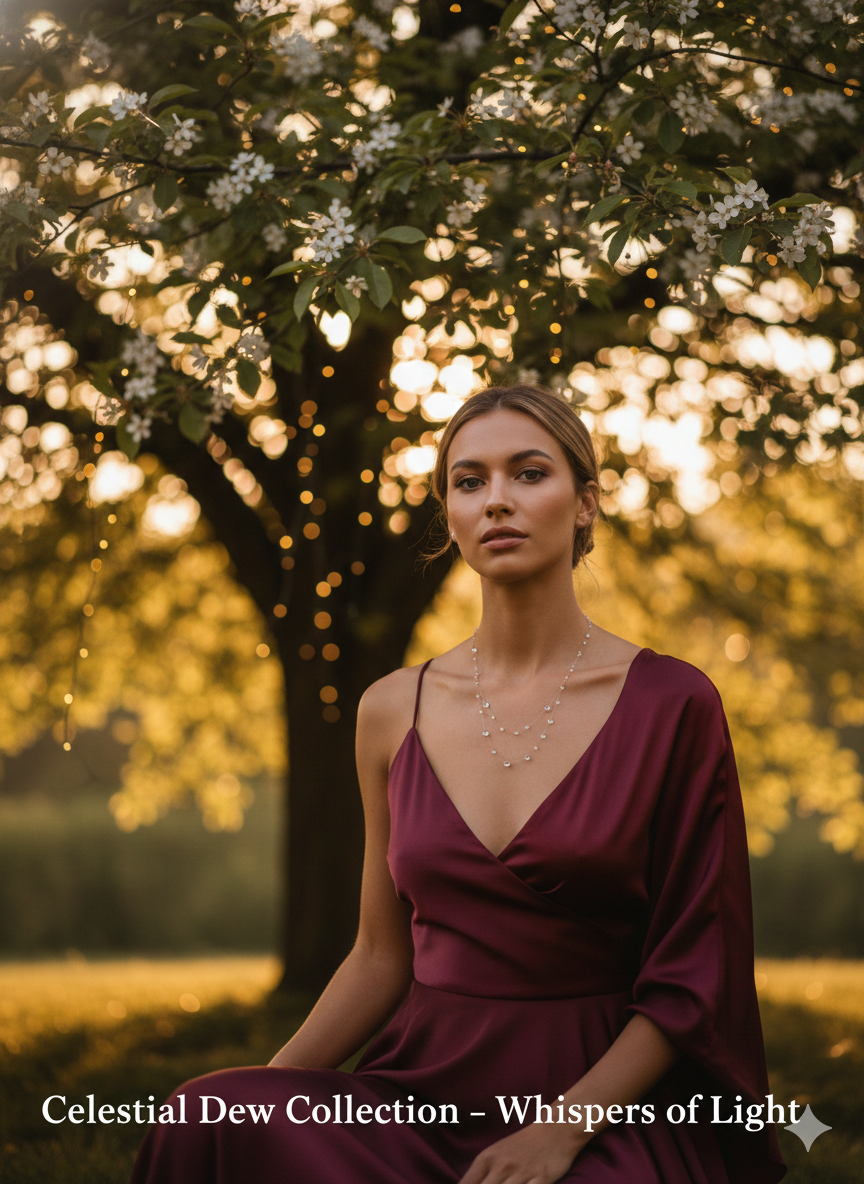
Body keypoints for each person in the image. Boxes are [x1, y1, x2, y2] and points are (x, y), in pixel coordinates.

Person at [130, 384, 786, 1183]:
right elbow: (379, 955)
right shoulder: (389, 710)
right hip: (422, 1089)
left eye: (529, 474)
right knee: (209, 1114)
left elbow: (696, 977)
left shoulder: (673, 704)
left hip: (605, 1100)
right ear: (449, 512)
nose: (496, 501)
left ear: (586, 503)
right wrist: (274, 1094)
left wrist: (559, 1134)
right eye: (469, 482)